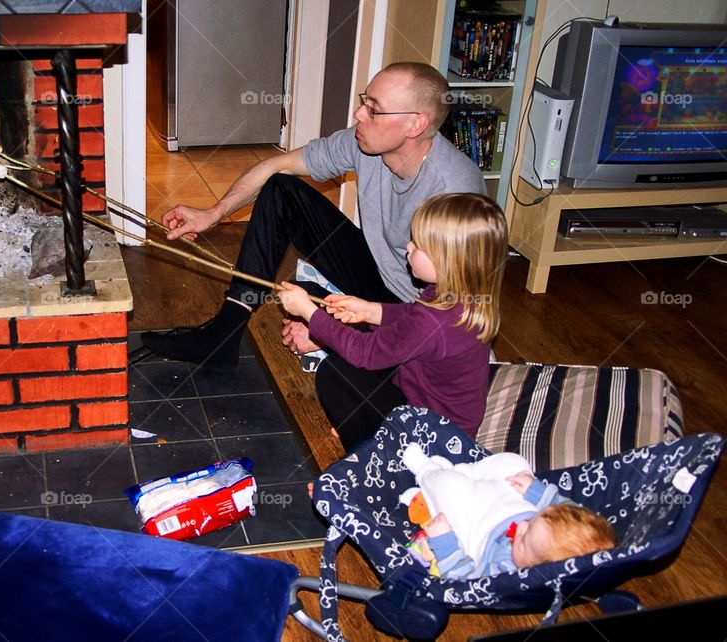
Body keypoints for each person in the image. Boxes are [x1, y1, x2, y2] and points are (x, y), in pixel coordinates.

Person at [142, 62, 486, 372]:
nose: (359, 114)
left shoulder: (454, 192)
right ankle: (223, 335)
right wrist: (213, 213)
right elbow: (277, 165)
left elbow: (453, 320)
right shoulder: (364, 144)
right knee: (281, 189)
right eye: (364, 101)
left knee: (310, 310)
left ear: (415, 124)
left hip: (414, 314)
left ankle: (348, 343)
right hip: (377, 276)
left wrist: (326, 335)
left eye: (374, 109)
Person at [278, 192, 507, 451]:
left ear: (447, 260)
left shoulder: (435, 321)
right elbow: (411, 317)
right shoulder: (458, 292)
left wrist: (308, 311)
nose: (408, 246)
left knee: (335, 373)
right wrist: (370, 311)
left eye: (418, 245)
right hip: (435, 410)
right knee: (358, 338)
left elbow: (365, 352)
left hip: (432, 436)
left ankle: (372, 454)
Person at [398, 443, 616, 580]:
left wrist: (444, 541)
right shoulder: (546, 533)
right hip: (511, 497)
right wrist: (536, 492)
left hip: (474, 520)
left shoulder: (506, 571)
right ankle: (463, 471)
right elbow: (566, 507)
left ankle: (427, 471)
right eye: (533, 521)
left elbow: (463, 578)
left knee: (448, 485)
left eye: (523, 540)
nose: (520, 527)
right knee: (515, 463)